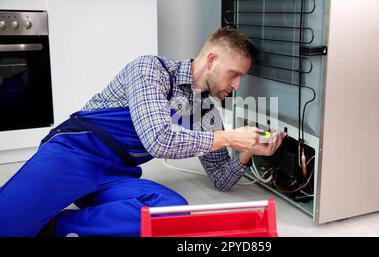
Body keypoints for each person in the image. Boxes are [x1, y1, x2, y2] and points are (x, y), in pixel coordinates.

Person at [0, 27, 286, 237]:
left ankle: (59, 225)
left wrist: (248, 151)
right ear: (211, 60)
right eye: (234, 74)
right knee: (6, 226)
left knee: (171, 212)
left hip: (114, 176)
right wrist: (229, 137)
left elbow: (222, 180)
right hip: (72, 156)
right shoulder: (151, 69)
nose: (237, 86)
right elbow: (158, 139)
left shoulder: (205, 111)